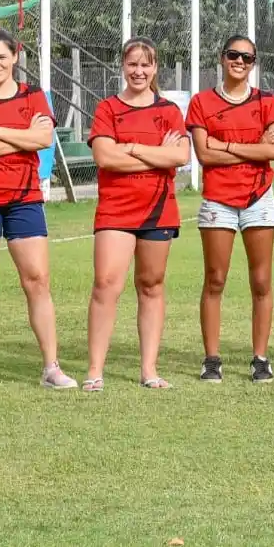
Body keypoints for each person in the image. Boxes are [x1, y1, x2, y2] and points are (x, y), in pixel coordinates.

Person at [0, 29, 75, 390]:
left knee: (37, 280)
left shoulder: (33, 96)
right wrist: (15, 135)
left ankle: (51, 367)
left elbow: (41, 140)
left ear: (14, 57)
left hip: (24, 199)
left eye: (2, 57)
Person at [84, 38, 190, 391]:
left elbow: (178, 157)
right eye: (132, 64)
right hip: (116, 209)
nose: (139, 71)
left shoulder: (169, 111)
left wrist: (129, 147)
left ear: (155, 68)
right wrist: (152, 152)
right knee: (106, 284)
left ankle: (149, 370)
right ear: (122, 67)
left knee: (151, 285)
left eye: (145, 65)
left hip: (158, 210)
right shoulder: (108, 109)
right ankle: (95, 370)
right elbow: (105, 157)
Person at [186, 35, 274, 383]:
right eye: (233, 55)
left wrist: (224, 144)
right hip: (218, 199)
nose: (239, 61)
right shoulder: (201, 102)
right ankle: (212, 359)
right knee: (215, 279)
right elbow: (204, 154)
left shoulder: (267, 102)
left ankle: (260, 357)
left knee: (261, 280)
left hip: (258, 197)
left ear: (254, 63)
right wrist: (251, 146)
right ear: (221, 57)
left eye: (247, 57)